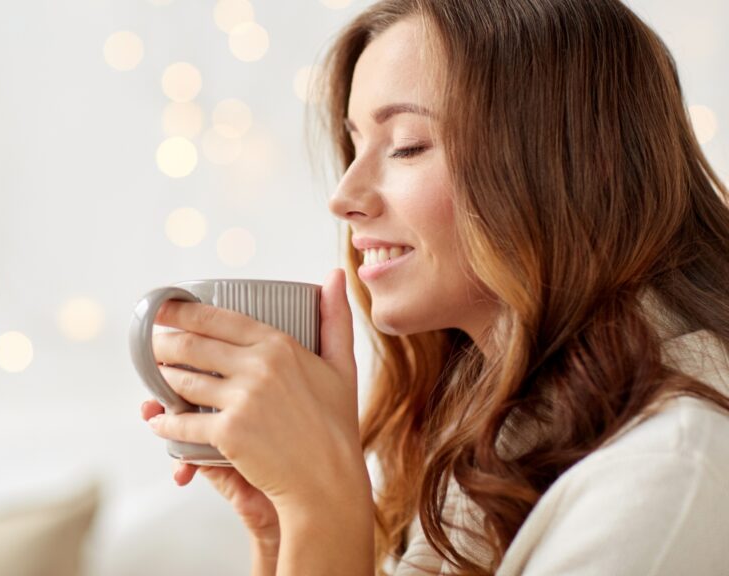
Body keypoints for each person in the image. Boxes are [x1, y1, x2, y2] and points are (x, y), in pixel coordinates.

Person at [139, 0, 729, 574]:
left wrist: (324, 507)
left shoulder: (668, 469)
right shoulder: (482, 438)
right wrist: (287, 529)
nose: (344, 196)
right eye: (354, 145)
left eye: (407, 145)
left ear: (578, 160)